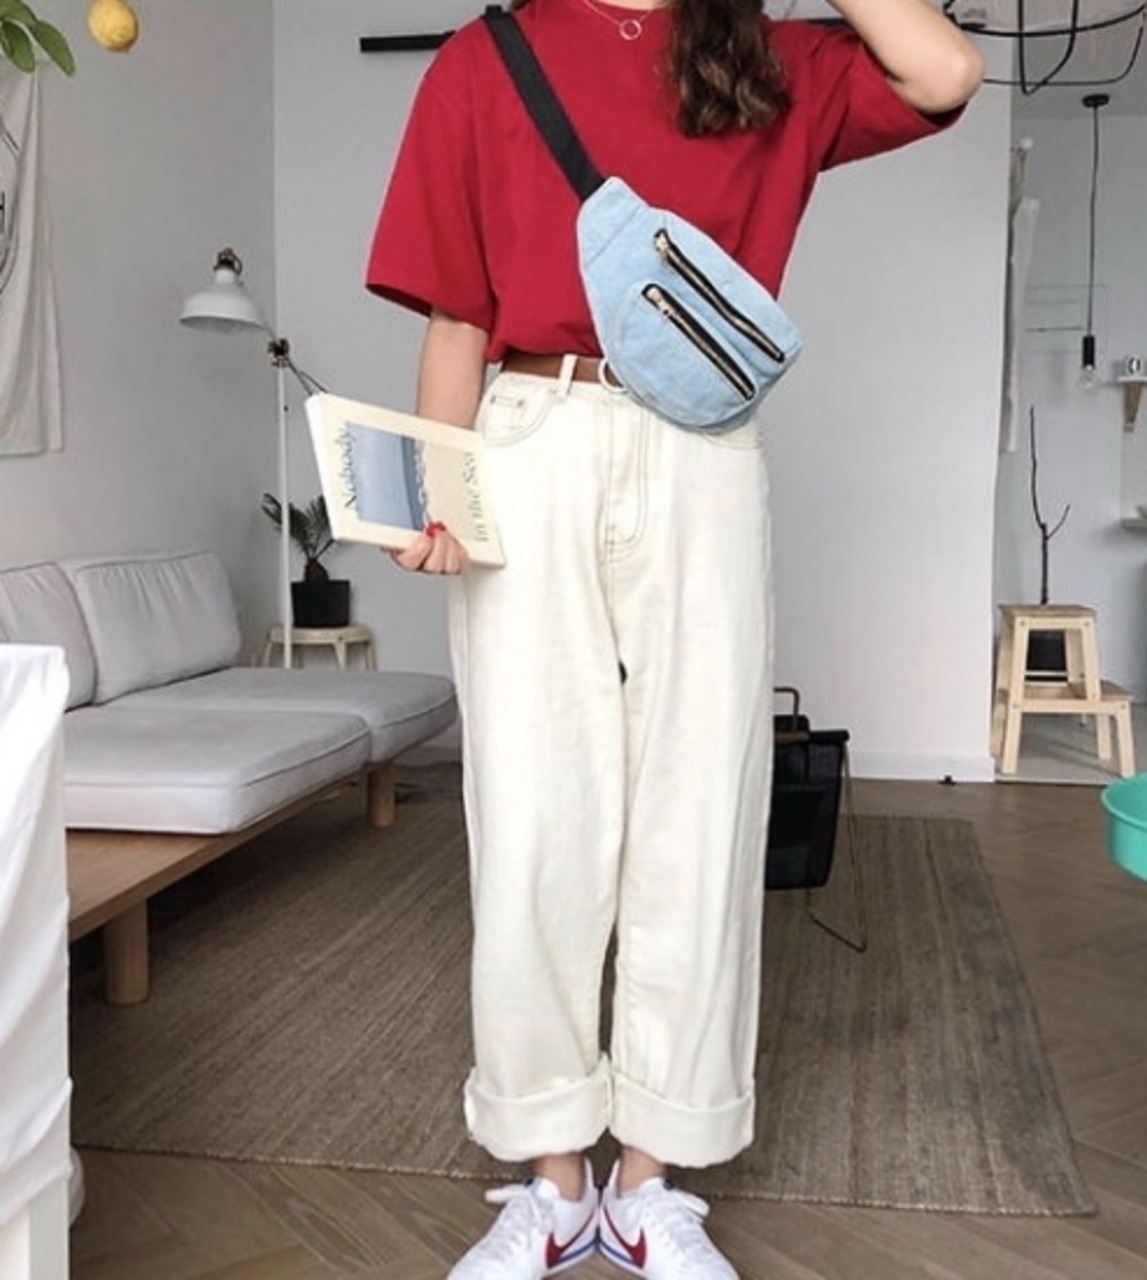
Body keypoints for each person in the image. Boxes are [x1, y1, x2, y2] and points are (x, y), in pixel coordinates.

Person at [366, 1, 982, 1276]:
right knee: (531, 804)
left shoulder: (765, 53)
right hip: (529, 428)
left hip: (701, 444)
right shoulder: (488, 56)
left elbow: (942, 70)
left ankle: (652, 1177)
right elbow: (455, 314)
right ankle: (549, 1175)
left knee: (703, 801)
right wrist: (439, 490)